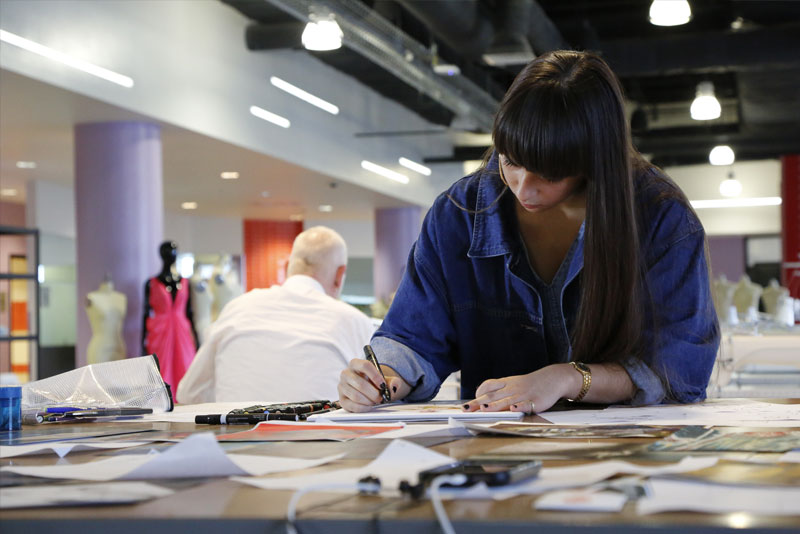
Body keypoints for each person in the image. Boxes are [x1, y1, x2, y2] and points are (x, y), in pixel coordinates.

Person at [338, 50, 720, 415]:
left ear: (594, 160)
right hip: (493, 449)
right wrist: (381, 379)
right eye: (511, 162)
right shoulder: (458, 214)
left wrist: (569, 379)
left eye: (549, 174)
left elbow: (679, 369)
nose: (523, 189)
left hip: (624, 449)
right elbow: (414, 336)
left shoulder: (661, 218)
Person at [177, 226, 375, 404]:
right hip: (321, 439)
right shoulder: (354, 322)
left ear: (288, 264)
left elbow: (188, 393)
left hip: (234, 439)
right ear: (340, 275)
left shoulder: (238, 307)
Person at [142, 241, 199, 390]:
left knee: (185, 366)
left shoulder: (185, 282)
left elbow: (189, 311)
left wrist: (197, 338)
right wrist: (143, 341)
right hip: (160, 332)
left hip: (182, 331)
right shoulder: (151, 283)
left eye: (173, 252)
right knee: (161, 369)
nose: (171, 256)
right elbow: (145, 313)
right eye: (167, 252)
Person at [86, 277, 127, 364]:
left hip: (119, 346)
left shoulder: (121, 298)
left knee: (120, 375)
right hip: (99, 348)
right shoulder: (92, 297)